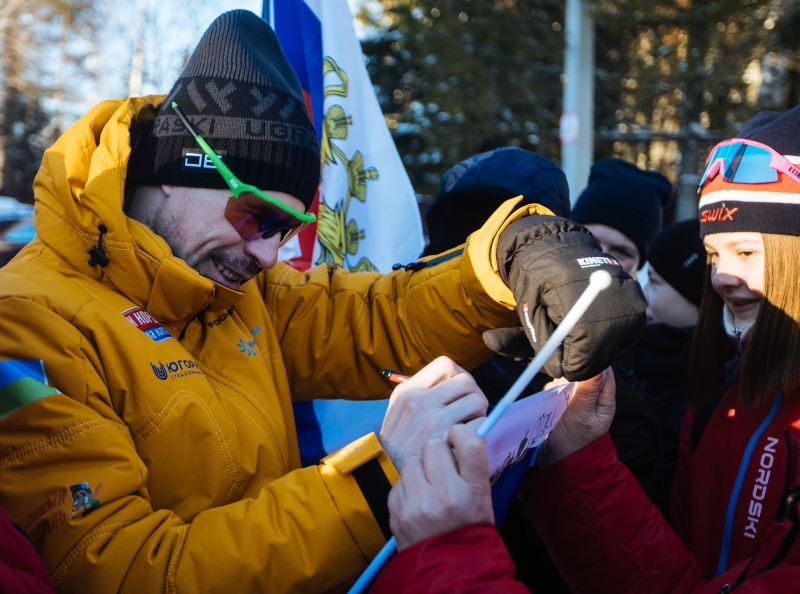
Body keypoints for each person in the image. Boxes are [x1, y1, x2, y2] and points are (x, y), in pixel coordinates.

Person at [0, 10, 645, 593]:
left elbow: (378, 316)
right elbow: (122, 571)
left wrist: (511, 253)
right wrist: (378, 478)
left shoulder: (233, 288)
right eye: (255, 215)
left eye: (286, 229)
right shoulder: (27, 323)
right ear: (178, 168)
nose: (266, 254)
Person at [635, 218, 706, 497]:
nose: (642, 296)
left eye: (654, 282)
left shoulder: (702, 399)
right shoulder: (642, 366)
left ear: (697, 296)